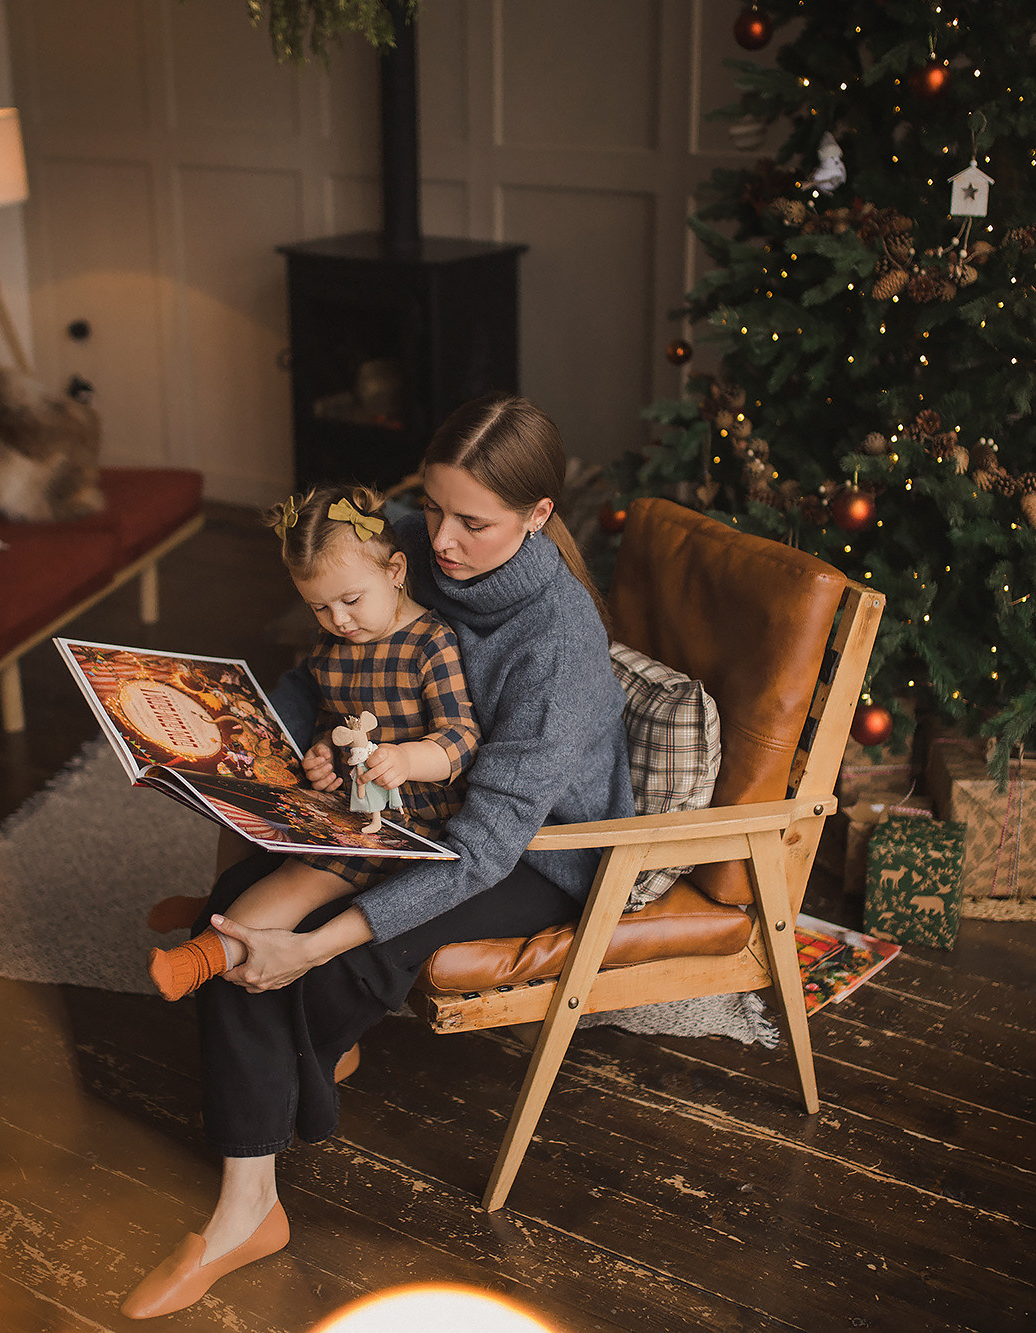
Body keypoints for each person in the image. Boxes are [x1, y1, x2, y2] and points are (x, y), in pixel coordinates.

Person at [120, 395, 634, 1320]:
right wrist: (239, 749)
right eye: (430, 508)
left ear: (539, 516)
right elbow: (317, 654)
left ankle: (250, 1198)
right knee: (237, 910)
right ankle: (277, 1141)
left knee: (322, 957)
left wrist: (315, 946)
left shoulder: (556, 643)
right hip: (399, 808)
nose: (440, 540)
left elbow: (481, 849)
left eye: (472, 523)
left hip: (527, 854)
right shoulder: (405, 538)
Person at [146, 485, 480, 1002]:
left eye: (350, 600)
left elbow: (461, 737)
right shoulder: (334, 646)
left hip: (403, 817)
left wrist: (408, 758)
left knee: (301, 881)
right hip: (345, 796)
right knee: (243, 806)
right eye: (319, 608)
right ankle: (212, 906)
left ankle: (203, 956)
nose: (339, 620)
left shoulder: (430, 643)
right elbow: (334, 719)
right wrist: (323, 752)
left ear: (394, 572)